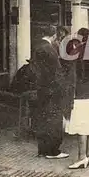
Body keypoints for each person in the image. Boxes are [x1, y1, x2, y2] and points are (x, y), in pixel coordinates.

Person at [31, 25, 70, 159]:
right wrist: (63, 89)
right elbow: (57, 73)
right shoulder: (50, 49)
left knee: (42, 118)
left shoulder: (36, 47)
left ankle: (42, 149)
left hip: (41, 89)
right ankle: (53, 150)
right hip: (52, 91)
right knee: (54, 119)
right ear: (54, 36)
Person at [62, 28, 89, 169]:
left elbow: (71, 75)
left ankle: (81, 157)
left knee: (81, 126)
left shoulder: (77, 51)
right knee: (88, 125)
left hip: (79, 93)